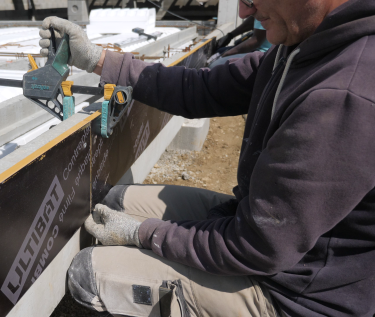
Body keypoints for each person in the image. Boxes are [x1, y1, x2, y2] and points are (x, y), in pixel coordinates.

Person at [39, 0, 375, 315]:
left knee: (89, 272)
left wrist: (143, 234)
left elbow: (256, 246)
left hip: (292, 296)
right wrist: (96, 59)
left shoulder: (345, 93)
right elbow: (202, 90)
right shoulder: (303, 49)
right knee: (114, 200)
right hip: (259, 235)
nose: (244, 10)